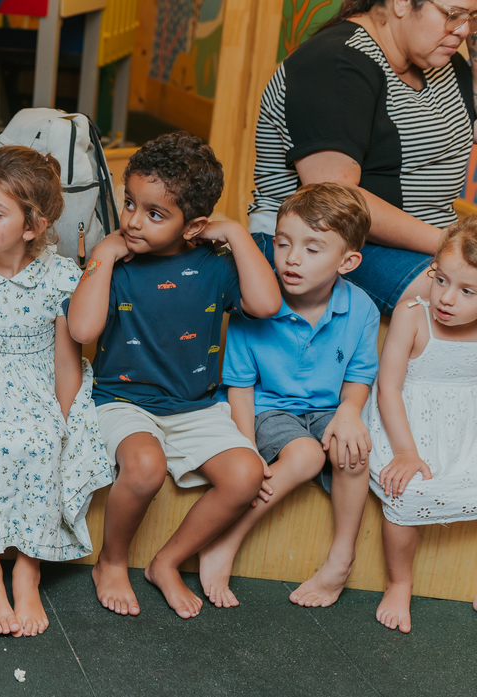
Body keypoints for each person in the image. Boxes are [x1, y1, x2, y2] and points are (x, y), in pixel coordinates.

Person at [67, 132, 283, 620]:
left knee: (246, 474)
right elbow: (81, 328)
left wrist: (234, 233)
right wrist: (102, 252)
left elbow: (266, 305)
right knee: (143, 466)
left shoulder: (216, 265)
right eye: (129, 204)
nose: (134, 221)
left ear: (195, 225)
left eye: (154, 213)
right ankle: (112, 561)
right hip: (122, 403)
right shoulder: (116, 261)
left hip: (196, 407)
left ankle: (167, 562)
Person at [0, 146, 114, 637]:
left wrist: (66, 412)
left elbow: (64, 358)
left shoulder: (58, 276)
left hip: (36, 383)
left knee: (41, 442)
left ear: (31, 226)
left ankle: (29, 567)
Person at [198, 183, 380, 609]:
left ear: (348, 261)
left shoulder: (362, 309)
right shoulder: (257, 304)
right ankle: (226, 541)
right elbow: (240, 386)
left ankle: (340, 561)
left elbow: (359, 374)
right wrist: (247, 447)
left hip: (325, 411)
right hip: (266, 409)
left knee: (353, 449)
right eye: (283, 244)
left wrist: (351, 411)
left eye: (313, 249)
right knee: (306, 456)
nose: (292, 258)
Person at [249, 0, 477, 316]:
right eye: (452, 15)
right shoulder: (334, 62)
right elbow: (339, 199)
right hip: (325, 244)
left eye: (472, 17)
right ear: (401, 3)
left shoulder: (447, 64)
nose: (463, 30)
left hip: (427, 244)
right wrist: (453, 243)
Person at [365, 215, 477, 633]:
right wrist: (407, 452)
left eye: (467, 291)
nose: (447, 299)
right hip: (407, 420)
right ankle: (399, 582)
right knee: (406, 493)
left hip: (465, 425)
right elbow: (388, 389)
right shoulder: (414, 315)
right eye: (441, 279)